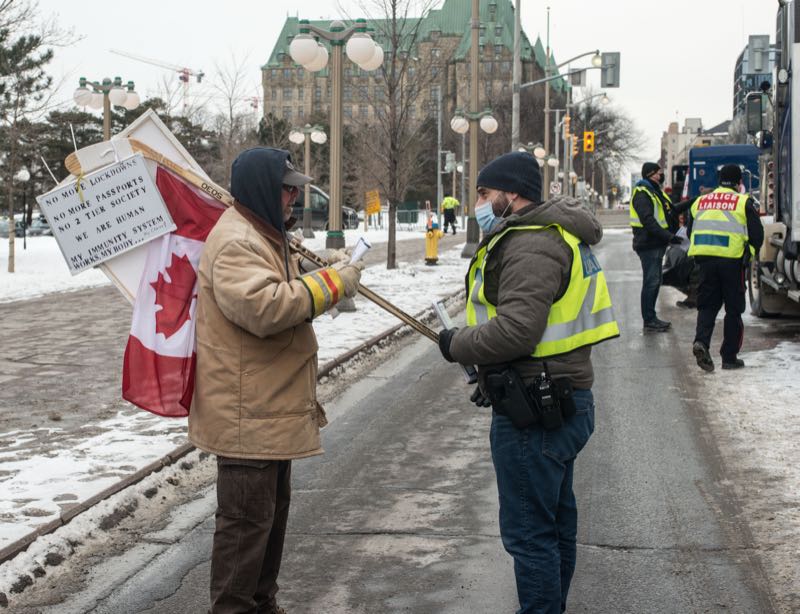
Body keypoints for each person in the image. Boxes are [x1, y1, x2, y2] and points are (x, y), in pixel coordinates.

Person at [437, 151, 619, 614]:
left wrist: (457, 343)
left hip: (537, 411)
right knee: (555, 526)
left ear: (512, 194)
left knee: (531, 536)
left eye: (484, 193)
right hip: (555, 397)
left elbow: (518, 331)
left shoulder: (532, 243)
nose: (479, 202)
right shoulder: (551, 233)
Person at [189, 147, 363, 614]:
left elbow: (280, 285)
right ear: (264, 190)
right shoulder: (235, 241)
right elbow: (268, 308)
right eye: (287, 188)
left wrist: (321, 267)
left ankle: (262, 603)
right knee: (245, 529)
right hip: (248, 418)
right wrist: (334, 283)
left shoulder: (262, 235)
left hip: (268, 411)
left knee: (266, 523)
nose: (294, 197)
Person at [688, 163, 764, 372]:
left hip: (704, 261)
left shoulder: (701, 202)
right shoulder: (743, 202)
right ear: (739, 183)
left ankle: (701, 342)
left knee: (707, 306)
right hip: (732, 262)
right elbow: (757, 235)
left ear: (720, 180)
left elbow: (689, 231)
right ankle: (729, 357)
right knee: (734, 310)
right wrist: (749, 252)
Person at [630, 162, 682, 332]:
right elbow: (648, 221)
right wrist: (669, 237)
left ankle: (651, 318)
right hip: (648, 245)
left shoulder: (655, 191)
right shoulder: (642, 193)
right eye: (659, 173)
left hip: (656, 243)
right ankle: (649, 320)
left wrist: (694, 201)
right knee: (651, 282)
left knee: (655, 281)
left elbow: (671, 210)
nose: (662, 175)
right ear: (651, 174)